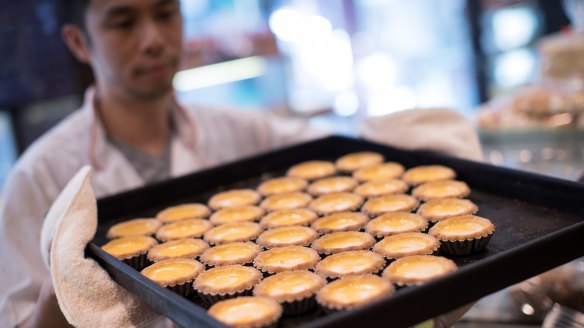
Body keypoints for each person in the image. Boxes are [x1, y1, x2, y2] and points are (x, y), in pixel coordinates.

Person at [0, 0, 482, 327]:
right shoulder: (38, 177)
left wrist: (412, 143)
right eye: (123, 22)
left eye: (166, 13)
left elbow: (345, 158)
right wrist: (66, 291)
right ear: (79, 42)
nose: (153, 39)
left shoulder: (239, 128)